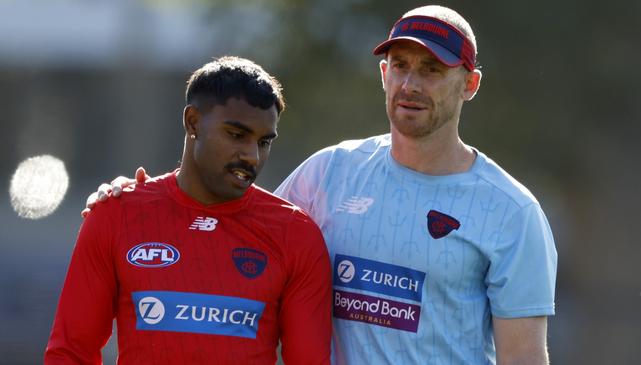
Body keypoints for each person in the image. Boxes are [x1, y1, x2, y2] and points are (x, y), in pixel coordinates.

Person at [87, 5, 558, 365]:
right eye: (400, 65)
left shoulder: (510, 212)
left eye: (432, 70)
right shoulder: (329, 172)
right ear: (383, 73)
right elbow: (231, 225)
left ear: (470, 84)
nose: (411, 84)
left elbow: (523, 358)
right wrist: (136, 199)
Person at [45, 56, 333, 365]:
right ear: (193, 122)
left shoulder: (296, 235)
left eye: (264, 142)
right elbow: (70, 353)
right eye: (236, 135)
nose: (251, 156)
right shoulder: (116, 215)